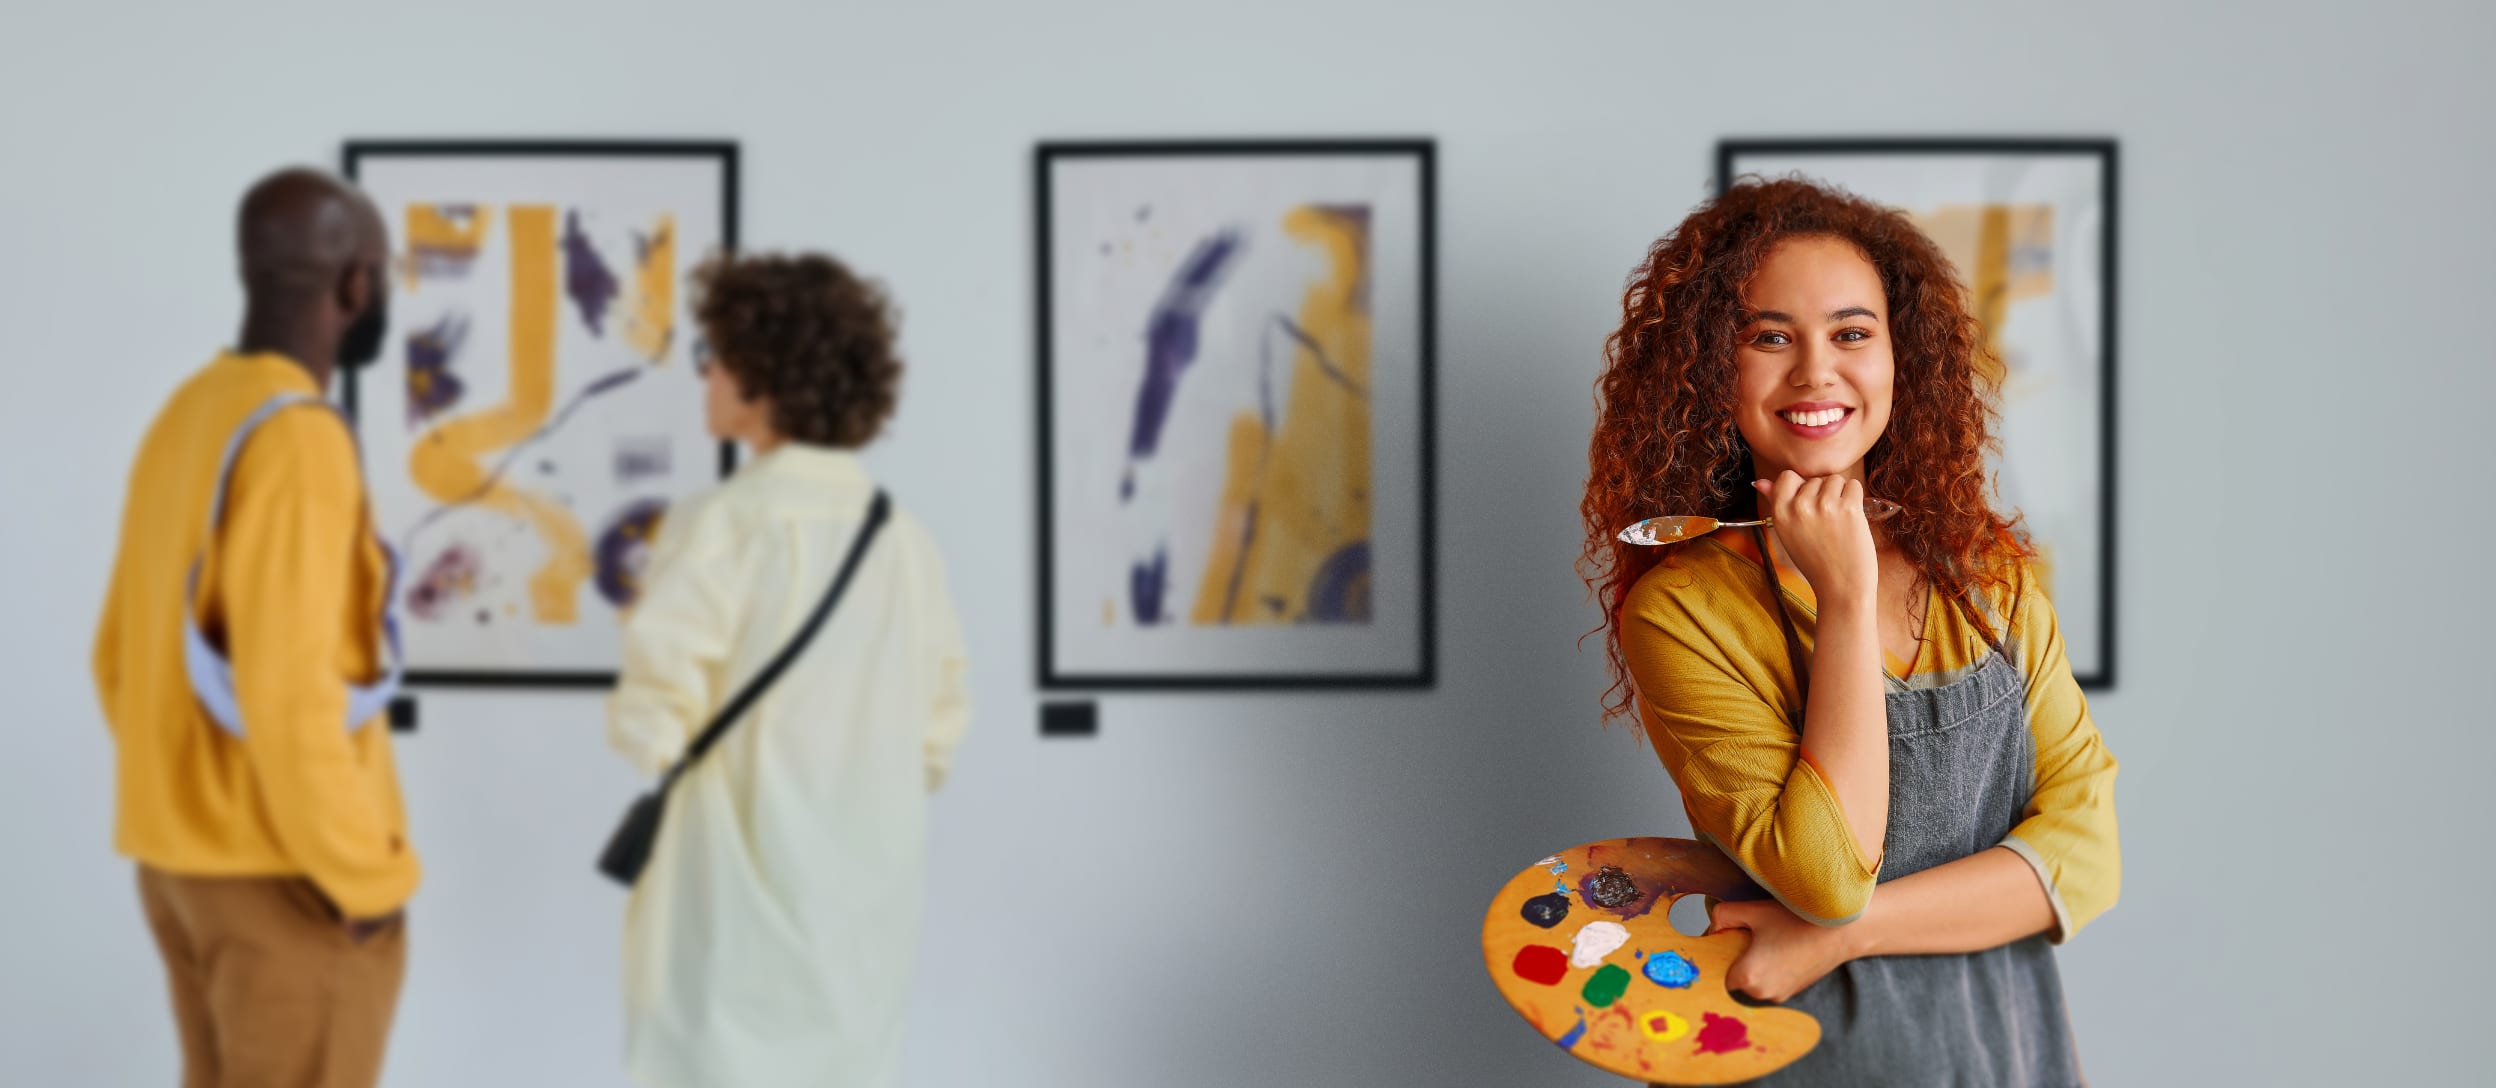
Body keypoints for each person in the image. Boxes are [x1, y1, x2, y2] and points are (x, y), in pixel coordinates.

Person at [1580, 177, 2120, 1084]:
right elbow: (1829, 876)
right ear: (1717, 368)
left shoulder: (1988, 575)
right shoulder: (1681, 612)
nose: (1815, 372)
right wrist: (1845, 595)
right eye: (1769, 336)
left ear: (1900, 359)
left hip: (2007, 1056)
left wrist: (1837, 941)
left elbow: (2087, 859)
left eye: (1851, 332)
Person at [608, 252, 972, 1087]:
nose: (703, 375)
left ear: (762, 375)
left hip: (732, 876)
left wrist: (666, 742)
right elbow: (940, 731)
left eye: (715, 354)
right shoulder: (905, 540)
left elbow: (651, 718)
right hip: (863, 888)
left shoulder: (720, 524)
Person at [92, 168, 417, 1088]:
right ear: (355, 284)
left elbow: (116, 654)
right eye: (382, 274)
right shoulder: (301, 437)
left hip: (179, 868)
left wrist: (187, 809)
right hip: (283, 880)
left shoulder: (189, 412)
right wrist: (367, 882)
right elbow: (289, 695)